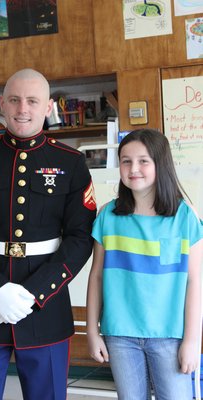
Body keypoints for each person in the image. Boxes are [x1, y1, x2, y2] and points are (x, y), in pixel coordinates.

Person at [0, 68, 97, 400]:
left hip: (45, 306)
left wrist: (33, 294)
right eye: (14, 100)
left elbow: (80, 237)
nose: (22, 109)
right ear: (2, 103)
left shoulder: (70, 163)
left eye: (32, 100)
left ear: (47, 107)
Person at [86, 128, 203, 400]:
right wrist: (93, 332)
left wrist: (192, 340)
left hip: (170, 337)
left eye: (143, 161)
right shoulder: (108, 215)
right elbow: (97, 278)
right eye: (126, 160)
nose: (133, 168)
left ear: (160, 165)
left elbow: (195, 281)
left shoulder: (185, 216)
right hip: (120, 336)